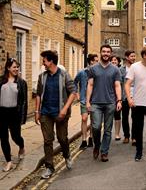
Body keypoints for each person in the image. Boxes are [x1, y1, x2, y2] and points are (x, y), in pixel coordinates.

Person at [35, 50, 76, 179]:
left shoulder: (64, 75)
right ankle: (49, 167)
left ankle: (67, 155)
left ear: (51, 61)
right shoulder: (42, 77)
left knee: (62, 138)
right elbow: (38, 95)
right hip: (45, 113)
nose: (43, 63)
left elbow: (73, 92)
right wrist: (37, 111)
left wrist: (64, 109)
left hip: (60, 113)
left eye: (44, 60)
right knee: (48, 140)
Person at [86, 45, 122, 162]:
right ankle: (97, 145)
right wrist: (87, 102)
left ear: (110, 53)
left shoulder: (115, 70)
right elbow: (90, 85)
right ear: (100, 53)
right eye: (104, 51)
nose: (106, 53)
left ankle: (104, 152)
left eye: (108, 52)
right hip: (95, 103)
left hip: (110, 103)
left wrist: (119, 100)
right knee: (95, 127)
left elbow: (117, 85)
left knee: (107, 130)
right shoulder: (93, 68)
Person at [0, 58, 27, 172]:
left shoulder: (21, 82)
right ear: (8, 68)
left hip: (14, 113)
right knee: (3, 138)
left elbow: (24, 102)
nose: (16, 69)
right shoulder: (1, 81)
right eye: (14, 67)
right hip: (2, 113)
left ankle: (21, 146)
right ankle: (9, 162)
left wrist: (22, 118)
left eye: (17, 67)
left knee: (16, 137)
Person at [74, 54, 98, 150]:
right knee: (84, 119)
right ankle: (84, 140)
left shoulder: (98, 73)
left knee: (93, 120)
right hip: (84, 100)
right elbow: (74, 82)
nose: (98, 62)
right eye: (96, 60)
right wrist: (77, 94)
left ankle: (91, 138)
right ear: (91, 61)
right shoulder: (82, 72)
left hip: (95, 100)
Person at [119, 50, 136, 144]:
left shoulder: (137, 68)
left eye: (134, 56)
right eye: (131, 56)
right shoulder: (121, 70)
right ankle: (126, 136)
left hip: (136, 96)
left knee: (135, 117)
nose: (133, 58)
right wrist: (119, 98)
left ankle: (134, 137)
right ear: (126, 57)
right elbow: (120, 84)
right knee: (125, 117)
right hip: (125, 96)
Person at [110, 55, 122, 141]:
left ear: (118, 62)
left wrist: (120, 98)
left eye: (115, 60)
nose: (114, 62)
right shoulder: (107, 70)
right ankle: (108, 133)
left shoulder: (120, 71)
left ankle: (117, 134)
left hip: (117, 96)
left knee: (117, 115)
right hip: (108, 96)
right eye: (112, 60)